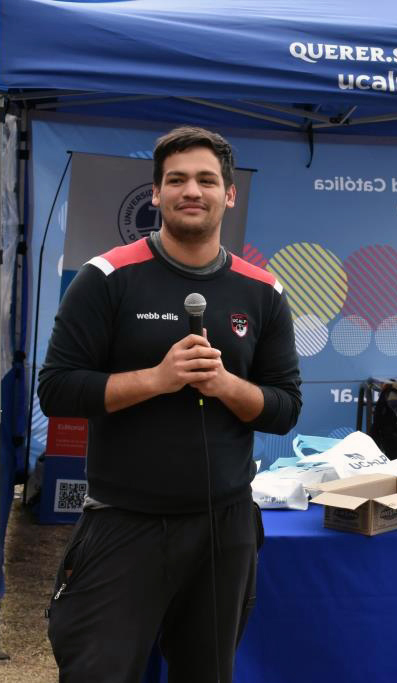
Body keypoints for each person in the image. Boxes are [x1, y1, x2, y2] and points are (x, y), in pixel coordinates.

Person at [38, 126, 302, 682]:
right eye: (177, 180)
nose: (192, 191)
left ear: (230, 194)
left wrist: (226, 384)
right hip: (123, 521)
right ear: (155, 193)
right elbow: (58, 390)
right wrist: (156, 379)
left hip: (223, 527)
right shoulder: (106, 277)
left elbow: (284, 409)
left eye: (207, 180)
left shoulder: (263, 292)